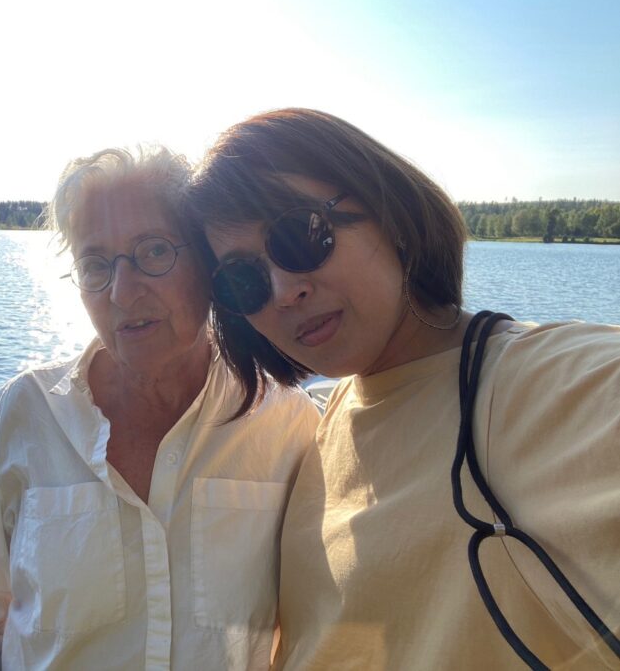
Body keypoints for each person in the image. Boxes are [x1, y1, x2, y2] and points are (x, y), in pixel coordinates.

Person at [185, 108, 620, 670]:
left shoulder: (557, 386)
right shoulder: (329, 419)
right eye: (242, 279)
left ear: (390, 215)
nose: (284, 290)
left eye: (301, 236)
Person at [0, 146, 320, 671]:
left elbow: (320, 624)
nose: (122, 292)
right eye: (95, 265)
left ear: (207, 261)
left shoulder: (287, 424)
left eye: (153, 251)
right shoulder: (30, 410)